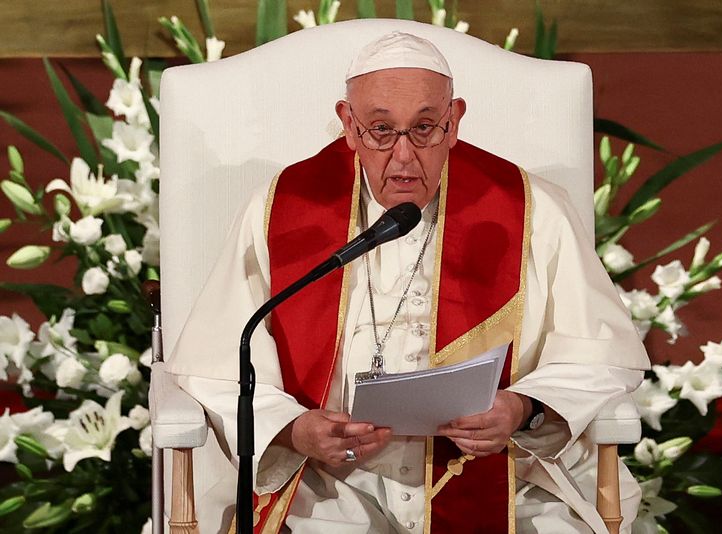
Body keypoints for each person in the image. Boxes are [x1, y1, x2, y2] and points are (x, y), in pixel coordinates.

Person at [167, 32, 650, 534]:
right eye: (380, 130)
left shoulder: (532, 211)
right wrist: (294, 429)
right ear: (347, 125)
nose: (403, 156)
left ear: (455, 120)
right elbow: (218, 362)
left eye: (424, 129)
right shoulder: (282, 211)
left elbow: (600, 354)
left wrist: (523, 409)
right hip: (331, 486)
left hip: (501, 475)